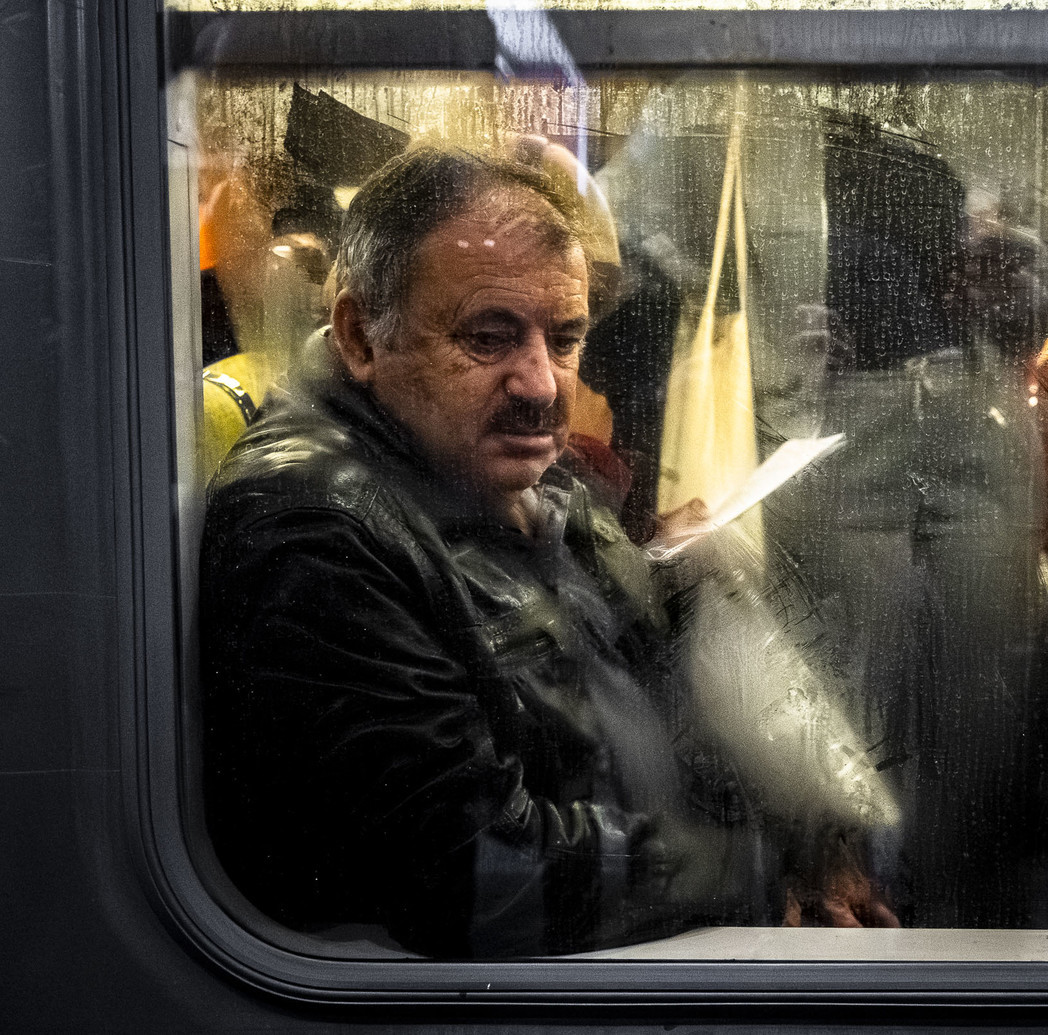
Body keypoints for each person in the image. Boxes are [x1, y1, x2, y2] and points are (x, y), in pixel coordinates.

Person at [200, 147, 883, 959]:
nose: (543, 385)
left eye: (564, 338)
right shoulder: (313, 529)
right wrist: (760, 869)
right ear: (359, 334)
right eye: (489, 337)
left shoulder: (478, 463)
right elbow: (478, 869)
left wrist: (673, 576)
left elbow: (589, 650)